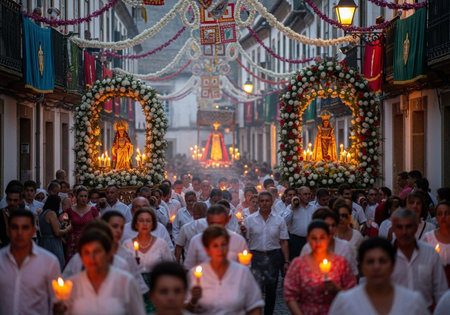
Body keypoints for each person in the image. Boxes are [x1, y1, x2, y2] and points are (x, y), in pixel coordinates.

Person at [56, 227, 146, 315]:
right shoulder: (72, 285)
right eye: (86, 252)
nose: (92, 257)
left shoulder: (126, 282)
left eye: (97, 251)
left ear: (108, 254)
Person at [329, 237, 429, 315]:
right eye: (370, 262)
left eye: (382, 261)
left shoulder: (413, 302)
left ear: (392, 265)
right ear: (361, 267)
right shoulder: (345, 302)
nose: (376, 267)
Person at [186, 225, 264, 314]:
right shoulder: (194, 274)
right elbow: (184, 309)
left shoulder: (242, 273)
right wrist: (194, 300)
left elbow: (254, 306)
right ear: (207, 250)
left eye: (223, 245)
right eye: (215, 246)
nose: (220, 250)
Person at [284, 220, 356, 315]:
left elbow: (353, 292)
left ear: (329, 238)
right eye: (314, 238)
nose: (318, 242)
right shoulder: (298, 264)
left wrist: (337, 289)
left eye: (322, 238)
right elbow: (290, 295)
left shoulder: (340, 263)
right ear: (308, 239)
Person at [0, 209, 61, 315]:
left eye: (25, 228)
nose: (20, 233)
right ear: (8, 231)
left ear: (33, 231)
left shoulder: (49, 262)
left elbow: (55, 302)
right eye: (15, 228)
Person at [390, 208, 448, 308]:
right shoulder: (386, 255)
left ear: (416, 227)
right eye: (399, 227)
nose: (404, 232)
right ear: (393, 229)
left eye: (408, 227)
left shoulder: (430, 253)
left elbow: (440, 291)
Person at [245, 191, 289, 315]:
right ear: (258, 203)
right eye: (262, 201)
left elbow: (284, 241)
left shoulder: (279, 220)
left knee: (271, 289)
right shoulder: (250, 219)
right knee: (256, 289)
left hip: (273, 256)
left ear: (271, 202)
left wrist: (286, 261)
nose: (264, 203)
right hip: (256, 257)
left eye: (267, 201)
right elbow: (245, 240)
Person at [184, 205, 247, 270]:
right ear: (207, 221)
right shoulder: (197, 241)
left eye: (220, 223)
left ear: (227, 220)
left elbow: (245, 268)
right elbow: (189, 267)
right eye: (212, 223)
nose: (216, 227)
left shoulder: (238, 241)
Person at [300, 208, 358, 275]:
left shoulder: (345, 247)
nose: (330, 229)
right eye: (327, 226)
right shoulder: (308, 248)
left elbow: (354, 274)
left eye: (333, 225)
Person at [66, 186, 99, 262]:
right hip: (73, 241)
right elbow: (65, 225)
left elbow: (98, 225)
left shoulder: (93, 210)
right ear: (76, 197)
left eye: (85, 196)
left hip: (89, 239)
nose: (83, 198)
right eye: (81, 196)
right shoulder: (70, 210)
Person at [39, 195, 71, 268]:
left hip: (44, 242)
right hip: (52, 244)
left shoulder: (43, 213)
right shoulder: (51, 213)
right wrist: (68, 229)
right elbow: (57, 232)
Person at [283, 186, 316, 259]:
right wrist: (292, 208)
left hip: (310, 240)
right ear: (299, 195)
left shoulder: (313, 208)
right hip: (295, 241)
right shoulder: (290, 207)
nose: (307, 196)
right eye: (305, 194)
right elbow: (284, 222)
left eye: (309, 194)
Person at [423, 201, 450, 285]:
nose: (443, 217)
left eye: (447, 213)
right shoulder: (428, 238)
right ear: (436, 217)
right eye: (439, 214)